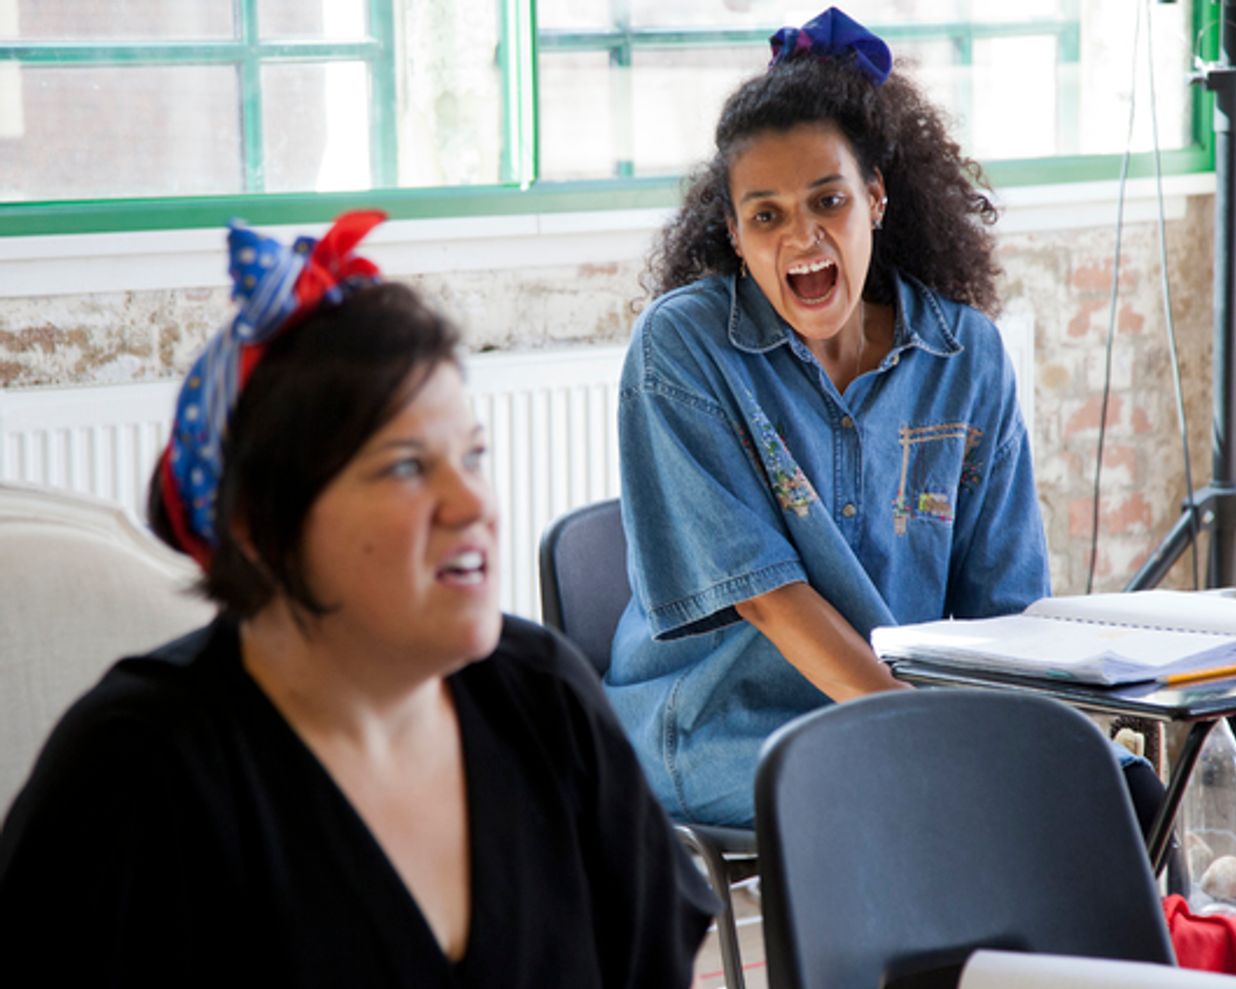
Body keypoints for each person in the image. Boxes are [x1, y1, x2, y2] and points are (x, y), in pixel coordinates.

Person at [0, 211, 715, 986]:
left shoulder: (544, 700)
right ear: (259, 526)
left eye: (471, 454)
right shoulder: (134, 778)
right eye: (406, 467)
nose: (471, 502)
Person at [604, 7, 1159, 830]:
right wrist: (925, 731)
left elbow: (1000, 608)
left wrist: (1029, 729)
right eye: (767, 215)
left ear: (875, 197)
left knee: (1118, 783)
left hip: (915, 713)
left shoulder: (965, 356)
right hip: (724, 723)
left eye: (828, 200)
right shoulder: (682, 350)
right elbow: (769, 600)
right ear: (733, 233)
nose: (803, 236)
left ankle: (1166, 951)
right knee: (942, 797)